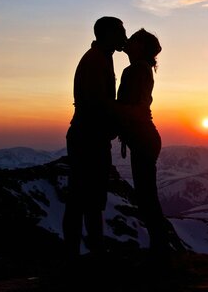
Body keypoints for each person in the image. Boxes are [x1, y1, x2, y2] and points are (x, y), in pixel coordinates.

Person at [63, 16, 127, 258]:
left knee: (86, 197)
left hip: (89, 135)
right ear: (108, 34)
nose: (125, 37)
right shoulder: (96, 61)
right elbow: (97, 103)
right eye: (121, 32)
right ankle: (86, 254)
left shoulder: (102, 58)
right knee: (84, 198)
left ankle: (85, 252)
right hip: (88, 137)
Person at [117, 29, 174, 258]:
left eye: (133, 39)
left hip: (142, 138)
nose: (128, 42)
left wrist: (108, 109)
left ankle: (161, 249)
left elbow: (136, 107)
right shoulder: (142, 69)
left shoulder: (135, 70)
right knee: (146, 196)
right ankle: (160, 247)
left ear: (140, 47)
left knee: (146, 197)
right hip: (145, 138)